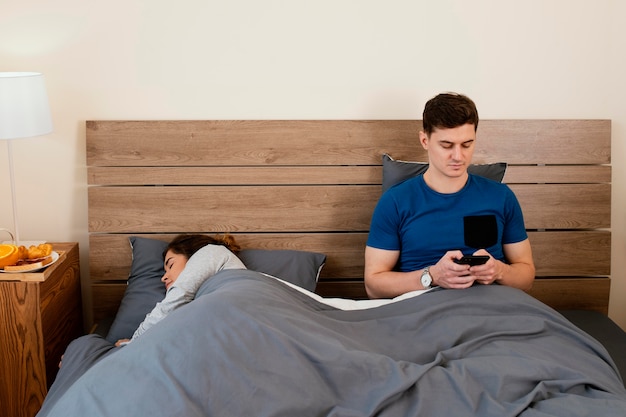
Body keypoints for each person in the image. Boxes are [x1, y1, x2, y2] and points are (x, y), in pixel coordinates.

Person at [364, 92, 535, 299]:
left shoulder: (501, 196)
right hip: (424, 311)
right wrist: (432, 276)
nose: (458, 156)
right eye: (446, 145)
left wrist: (500, 271)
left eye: (466, 144)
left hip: (493, 309)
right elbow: (373, 286)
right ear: (425, 140)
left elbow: (526, 277)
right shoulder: (396, 201)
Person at [115, 234, 246, 346]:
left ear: (194, 257)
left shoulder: (211, 252)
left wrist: (135, 342)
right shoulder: (205, 298)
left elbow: (173, 302)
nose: (163, 277)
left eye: (171, 265)